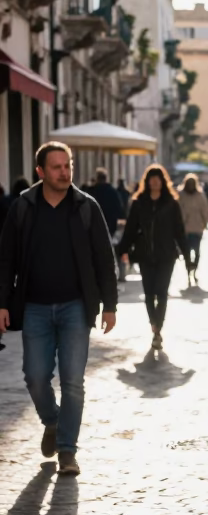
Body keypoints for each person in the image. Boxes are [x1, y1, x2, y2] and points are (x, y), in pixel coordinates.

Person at [0, 142, 117, 476]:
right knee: (35, 377)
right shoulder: (23, 207)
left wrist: (109, 305)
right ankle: (52, 421)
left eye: (68, 166)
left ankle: (67, 450)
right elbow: (5, 260)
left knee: (73, 381)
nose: (64, 172)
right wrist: (2, 303)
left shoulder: (86, 207)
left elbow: (103, 259)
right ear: (40, 171)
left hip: (76, 308)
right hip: (34, 306)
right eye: (57, 167)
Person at [117, 164, 187, 352]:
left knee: (162, 292)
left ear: (163, 181)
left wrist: (187, 256)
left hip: (166, 255)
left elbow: (179, 231)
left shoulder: (171, 203)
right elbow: (130, 229)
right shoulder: (139, 202)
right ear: (147, 182)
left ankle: (158, 328)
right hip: (145, 255)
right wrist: (121, 250)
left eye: (158, 178)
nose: (154, 181)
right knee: (149, 293)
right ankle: (154, 324)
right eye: (151, 178)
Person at [86, 168, 125, 282]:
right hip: (109, 225)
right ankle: (107, 274)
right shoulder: (112, 191)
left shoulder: (91, 191)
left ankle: (97, 274)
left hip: (92, 225)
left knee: (95, 251)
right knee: (108, 250)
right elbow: (119, 210)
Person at [178, 174, 208, 286]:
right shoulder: (181, 195)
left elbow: (205, 210)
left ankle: (194, 270)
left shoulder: (200, 195)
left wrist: (206, 222)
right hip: (185, 228)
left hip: (197, 227)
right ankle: (189, 271)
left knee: (196, 252)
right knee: (187, 252)